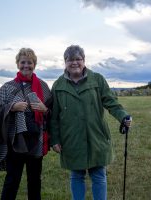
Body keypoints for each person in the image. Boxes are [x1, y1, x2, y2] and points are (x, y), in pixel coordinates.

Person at [50, 45, 132, 200]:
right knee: (76, 175)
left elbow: (111, 102)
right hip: (71, 139)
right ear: (65, 62)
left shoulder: (97, 79)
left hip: (96, 136)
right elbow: (53, 117)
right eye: (70, 60)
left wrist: (123, 116)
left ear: (84, 60)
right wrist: (55, 139)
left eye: (78, 59)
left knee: (99, 175)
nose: (74, 63)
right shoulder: (58, 85)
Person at [0, 48, 52, 200]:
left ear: (34, 64)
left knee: (35, 180)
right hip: (15, 140)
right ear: (17, 64)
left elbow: (52, 111)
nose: (26, 65)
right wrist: (12, 107)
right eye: (23, 62)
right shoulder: (8, 87)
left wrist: (45, 109)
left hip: (36, 139)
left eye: (30, 62)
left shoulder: (42, 86)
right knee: (12, 180)